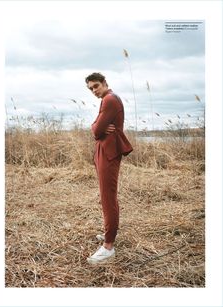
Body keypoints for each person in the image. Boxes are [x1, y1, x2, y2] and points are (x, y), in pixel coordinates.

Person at [85, 72, 133, 264]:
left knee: (108, 197)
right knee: (106, 196)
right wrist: (96, 126)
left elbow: (96, 130)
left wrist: (97, 127)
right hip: (105, 152)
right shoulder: (108, 99)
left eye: (96, 86)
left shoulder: (110, 100)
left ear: (105, 83)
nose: (94, 91)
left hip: (109, 153)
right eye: (90, 89)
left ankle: (108, 246)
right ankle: (109, 232)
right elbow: (95, 128)